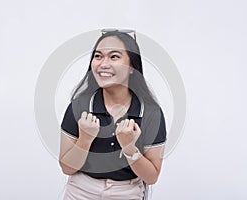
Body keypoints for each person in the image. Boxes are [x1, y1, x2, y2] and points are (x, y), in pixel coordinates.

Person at [59, 29, 167, 200]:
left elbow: (151, 177)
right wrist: (85, 139)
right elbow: (67, 168)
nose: (103, 64)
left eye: (114, 56)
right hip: (81, 191)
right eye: (98, 56)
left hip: (127, 192)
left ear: (132, 66)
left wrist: (129, 148)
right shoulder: (79, 106)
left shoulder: (151, 113)